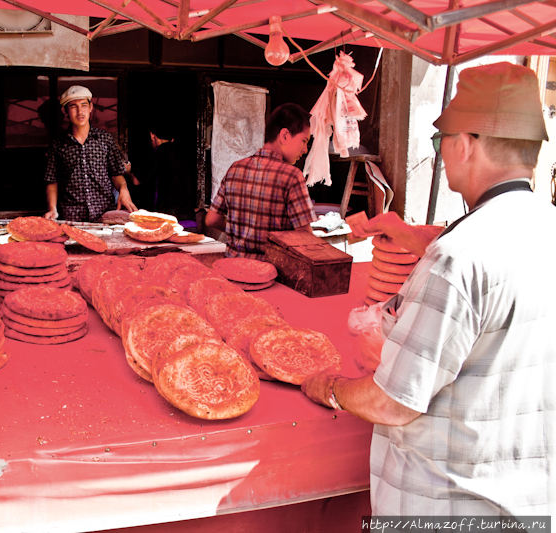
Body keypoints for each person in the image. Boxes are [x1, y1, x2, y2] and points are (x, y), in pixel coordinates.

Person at [302, 62, 555, 518]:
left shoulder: (458, 259)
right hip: (529, 505)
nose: (441, 152)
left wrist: (330, 387)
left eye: (441, 142)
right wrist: (402, 231)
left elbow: (394, 402)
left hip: (448, 508)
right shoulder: (543, 229)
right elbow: (485, 255)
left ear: (465, 144)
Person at [205, 103, 316, 259]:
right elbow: (304, 238)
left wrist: (241, 232)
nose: (305, 150)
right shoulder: (292, 176)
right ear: (284, 135)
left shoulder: (235, 169)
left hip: (232, 270)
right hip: (271, 274)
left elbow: (211, 220)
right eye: (304, 141)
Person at [43, 85, 137, 222]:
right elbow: (52, 180)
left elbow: (116, 174)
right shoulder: (57, 143)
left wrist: (124, 189)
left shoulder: (105, 139)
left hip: (104, 214)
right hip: (71, 216)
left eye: (83, 105)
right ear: (65, 111)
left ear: (91, 107)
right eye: (73, 106)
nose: (80, 111)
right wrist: (52, 208)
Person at [127, 121, 195, 222]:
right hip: (190, 218)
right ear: (172, 139)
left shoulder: (159, 153)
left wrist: (125, 170)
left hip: (168, 219)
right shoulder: (184, 155)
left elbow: (137, 181)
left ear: (152, 135)